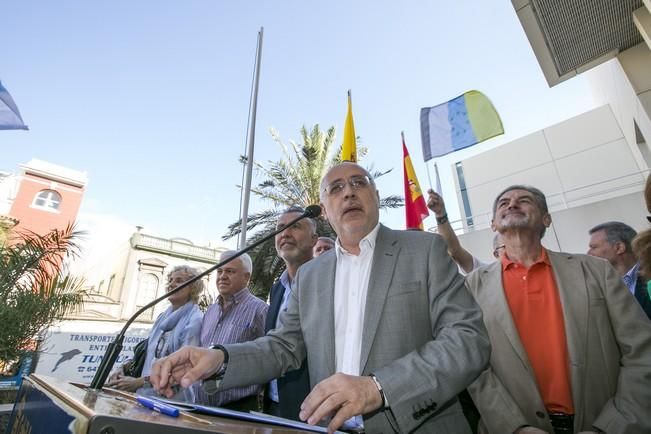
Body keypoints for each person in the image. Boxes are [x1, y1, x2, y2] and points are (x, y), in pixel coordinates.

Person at [152, 162, 490, 434]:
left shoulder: (423, 250)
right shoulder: (311, 274)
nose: (349, 193)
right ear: (325, 213)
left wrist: (379, 387)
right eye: (336, 188)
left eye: (359, 183)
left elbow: (468, 339)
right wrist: (219, 358)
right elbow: (283, 346)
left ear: (375, 195)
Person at [466, 185, 651, 434]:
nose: (511, 204)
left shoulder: (596, 271)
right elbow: (473, 366)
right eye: (503, 203)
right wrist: (513, 428)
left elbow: (641, 351)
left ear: (546, 219)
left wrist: (614, 425)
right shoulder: (470, 287)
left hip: (601, 423)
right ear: (493, 225)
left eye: (524, 200)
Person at [107, 265, 204, 401]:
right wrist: (122, 368)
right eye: (170, 280)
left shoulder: (195, 320)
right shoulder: (162, 317)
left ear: (193, 287)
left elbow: (184, 368)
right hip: (143, 398)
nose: (171, 284)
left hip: (172, 403)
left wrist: (138, 382)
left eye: (179, 280)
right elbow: (148, 353)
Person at [194, 251, 268, 411]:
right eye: (219, 271)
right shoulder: (211, 311)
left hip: (239, 410)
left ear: (246, 277)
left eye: (230, 271)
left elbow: (270, 356)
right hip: (201, 407)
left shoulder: (260, 310)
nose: (222, 276)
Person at [264, 207, 317, 420]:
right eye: (280, 229)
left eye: (295, 227)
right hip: (273, 408)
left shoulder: (328, 283)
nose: (285, 233)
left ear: (314, 239)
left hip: (311, 412)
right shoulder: (277, 289)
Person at [427, 189, 503, 273]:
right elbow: (455, 251)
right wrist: (441, 214)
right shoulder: (487, 274)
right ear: (497, 254)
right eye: (505, 246)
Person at [588, 221, 651, 318]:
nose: (588, 253)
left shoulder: (648, 275)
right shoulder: (602, 287)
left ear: (619, 247)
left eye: (594, 247)